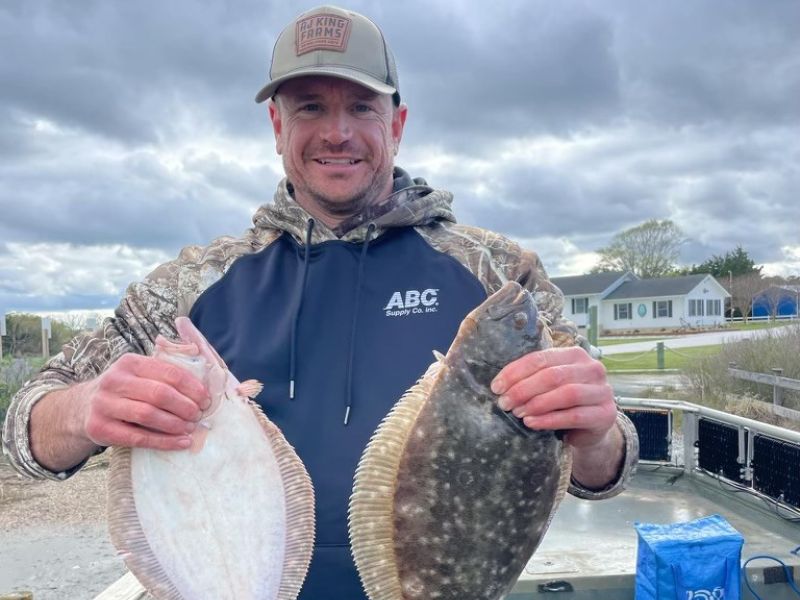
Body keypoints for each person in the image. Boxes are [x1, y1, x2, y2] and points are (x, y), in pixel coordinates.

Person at [2, 5, 638, 598]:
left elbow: (603, 467)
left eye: (362, 107)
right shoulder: (188, 287)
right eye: (310, 107)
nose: (338, 132)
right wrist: (87, 408)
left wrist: (596, 430)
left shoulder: (499, 274)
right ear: (277, 125)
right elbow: (22, 435)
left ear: (398, 122)